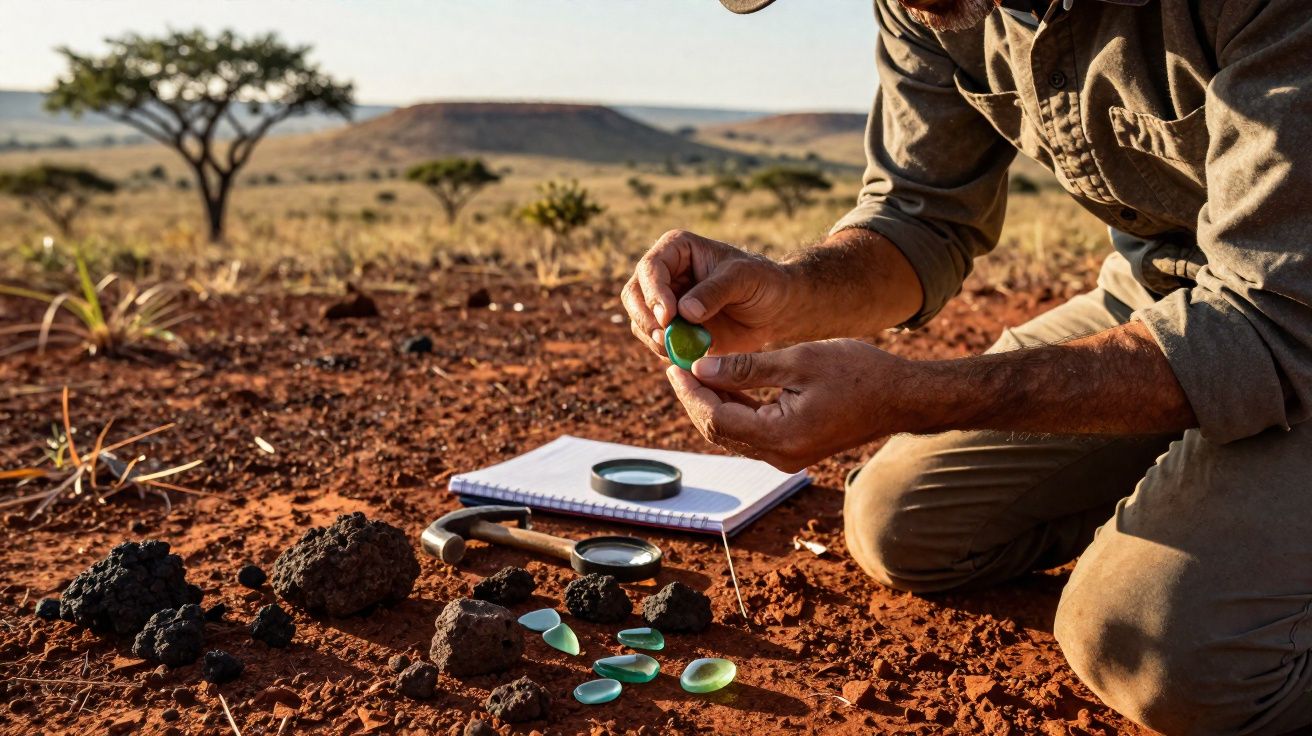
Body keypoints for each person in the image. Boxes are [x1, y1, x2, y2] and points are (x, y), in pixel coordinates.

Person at [621, 0, 1312, 733]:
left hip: (1289, 312)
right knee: (903, 521)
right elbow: (921, 216)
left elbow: (1271, 321)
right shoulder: (924, 5)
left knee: (1157, 648)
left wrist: (912, 398)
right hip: (1175, 292)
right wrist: (787, 290)